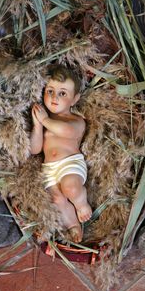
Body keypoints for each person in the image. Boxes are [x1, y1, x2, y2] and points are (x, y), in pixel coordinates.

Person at [30, 64, 92, 243]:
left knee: (70, 187)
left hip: (70, 164)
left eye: (63, 93)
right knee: (56, 199)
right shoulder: (45, 122)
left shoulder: (75, 120)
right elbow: (35, 149)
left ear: (74, 99)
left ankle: (81, 205)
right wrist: (37, 126)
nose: (54, 97)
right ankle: (73, 224)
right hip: (49, 169)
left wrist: (45, 120)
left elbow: (66, 132)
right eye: (50, 90)